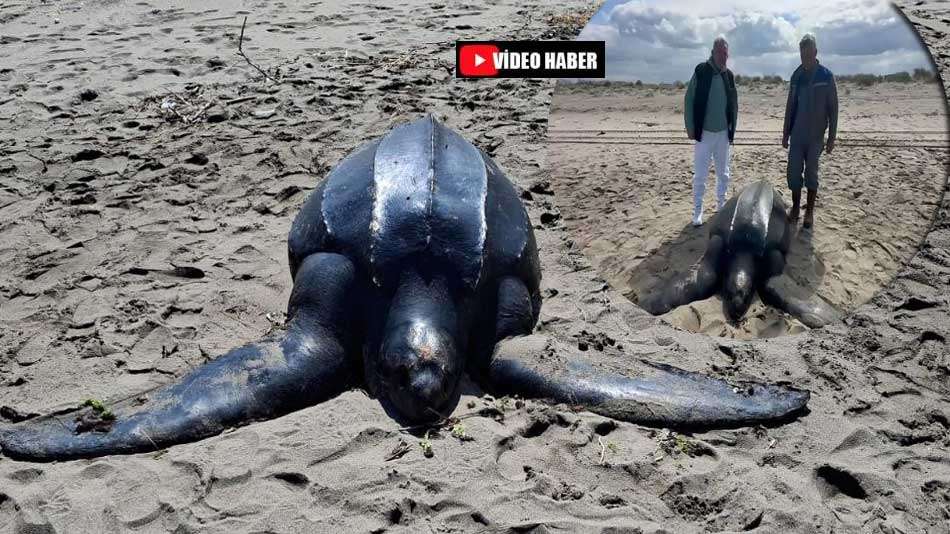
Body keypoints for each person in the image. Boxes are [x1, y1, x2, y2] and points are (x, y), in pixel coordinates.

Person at [782, 33, 838, 229]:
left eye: (808, 54)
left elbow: (833, 108)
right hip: (797, 135)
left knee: (811, 173)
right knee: (793, 172)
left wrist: (831, 137)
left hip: (816, 137)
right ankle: (796, 207)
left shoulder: (826, 76)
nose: (805, 58)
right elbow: (790, 107)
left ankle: (810, 212)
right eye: (802, 54)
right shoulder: (796, 77)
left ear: (815, 52)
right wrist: (785, 133)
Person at [684, 36, 738, 227]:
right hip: (704, 134)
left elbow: (734, 104)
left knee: (723, 174)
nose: (724, 57)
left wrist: (732, 129)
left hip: (723, 134)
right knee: (700, 175)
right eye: (721, 53)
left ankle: (721, 206)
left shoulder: (728, 75)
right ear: (713, 52)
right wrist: (690, 127)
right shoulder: (701, 71)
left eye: (726, 54)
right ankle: (697, 211)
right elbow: (689, 99)